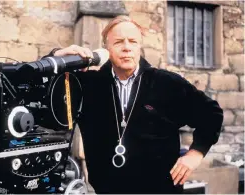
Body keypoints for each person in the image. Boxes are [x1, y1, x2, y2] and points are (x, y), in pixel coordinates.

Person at [46, 15, 223, 194]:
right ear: (106, 48)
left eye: (133, 41)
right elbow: (40, 89)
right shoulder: (87, 85)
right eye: (118, 42)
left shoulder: (167, 83)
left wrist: (195, 154)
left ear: (140, 46)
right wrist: (57, 56)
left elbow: (211, 114)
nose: (126, 48)